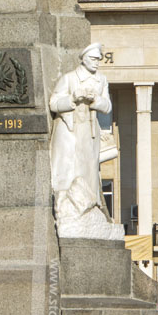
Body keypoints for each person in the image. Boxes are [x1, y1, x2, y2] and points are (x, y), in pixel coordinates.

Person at [49, 43, 122, 239]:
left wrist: (95, 100)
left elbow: (107, 106)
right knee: (69, 169)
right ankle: (68, 205)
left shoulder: (101, 80)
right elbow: (54, 103)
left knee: (89, 170)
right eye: (93, 59)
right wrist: (73, 98)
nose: (96, 63)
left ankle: (88, 206)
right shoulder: (70, 78)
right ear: (83, 59)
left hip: (89, 131)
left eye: (98, 59)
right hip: (70, 130)